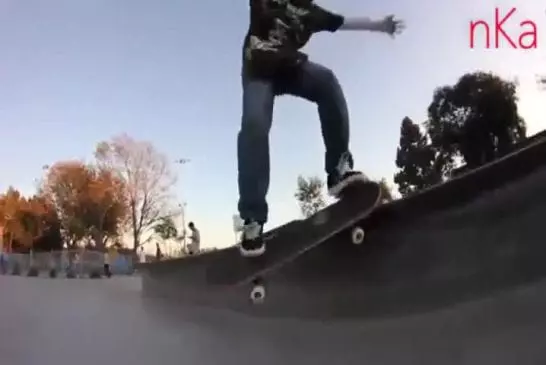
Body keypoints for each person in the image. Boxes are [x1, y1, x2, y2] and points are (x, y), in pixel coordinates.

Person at [237, 0, 405, 257]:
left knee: (327, 82)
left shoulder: (312, 12)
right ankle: (253, 219)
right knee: (254, 123)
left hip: (290, 68)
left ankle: (338, 170)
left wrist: (380, 26)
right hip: (258, 72)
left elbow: (344, 23)